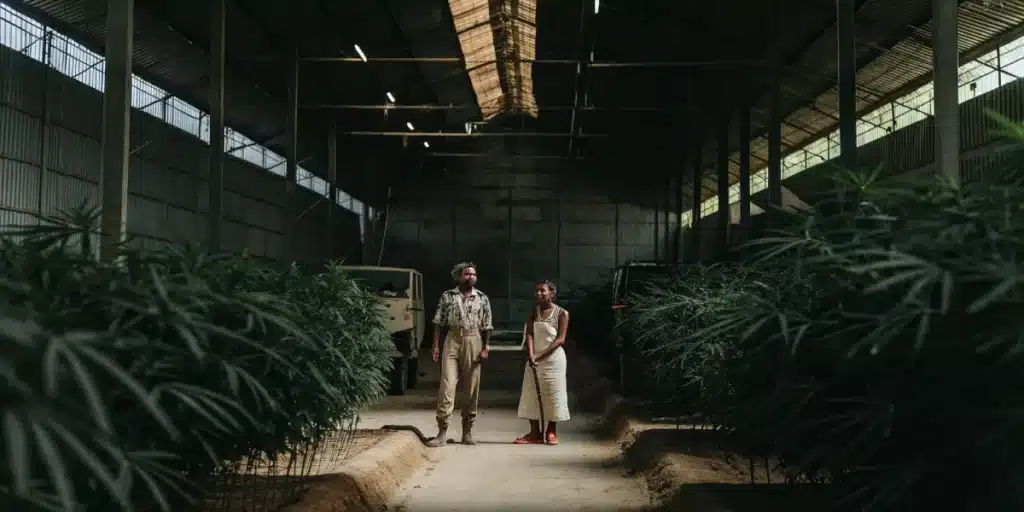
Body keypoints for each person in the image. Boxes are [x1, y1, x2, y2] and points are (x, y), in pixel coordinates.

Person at [425, 262, 493, 447]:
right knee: (447, 385)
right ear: (458, 276)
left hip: (474, 339)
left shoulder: (482, 298)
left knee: (471, 387)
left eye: (473, 274)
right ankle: (442, 432)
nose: (471, 276)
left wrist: (486, 347)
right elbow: (438, 322)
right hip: (453, 338)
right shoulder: (448, 296)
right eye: (466, 274)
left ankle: (468, 431)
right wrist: (436, 346)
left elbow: (487, 324)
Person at [515, 280, 571, 445]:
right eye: (537, 291)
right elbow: (530, 334)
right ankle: (534, 433)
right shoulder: (534, 312)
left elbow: (560, 339)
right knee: (531, 393)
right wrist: (531, 354)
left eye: (542, 291)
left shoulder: (562, 313)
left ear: (551, 294)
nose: (538, 294)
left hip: (553, 360)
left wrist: (540, 357)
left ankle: (551, 432)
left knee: (553, 393)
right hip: (534, 359)